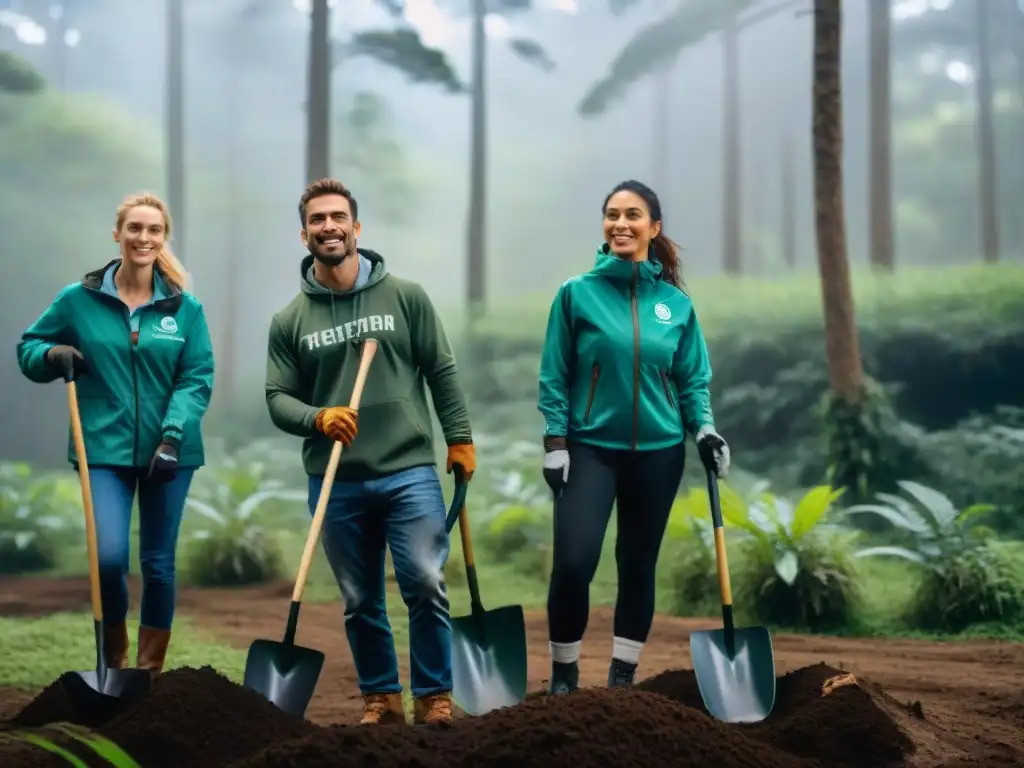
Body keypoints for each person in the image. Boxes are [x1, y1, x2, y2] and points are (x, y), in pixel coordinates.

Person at [264, 177, 475, 727]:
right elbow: (277, 399)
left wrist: (459, 437)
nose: (328, 227)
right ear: (304, 233)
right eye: (317, 220)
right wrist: (318, 417)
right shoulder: (291, 321)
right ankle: (380, 698)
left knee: (426, 581)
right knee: (360, 599)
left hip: (408, 469)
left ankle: (434, 697)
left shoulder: (405, 296)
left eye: (338, 217)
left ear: (357, 227)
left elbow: (441, 369)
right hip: (336, 481)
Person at [536, 179, 731, 695]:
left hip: (660, 453)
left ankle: (622, 677)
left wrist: (705, 430)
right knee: (575, 562)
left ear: (654, 227)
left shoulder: (676, 306)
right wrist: (556, 443)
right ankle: (564, 673)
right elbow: (554, 375)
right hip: (589, 449)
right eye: (612, 214)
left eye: (633, 215)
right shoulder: (575, 294)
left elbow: (692, 380)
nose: (620, 223)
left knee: (638, 563)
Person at [16, 192, 215, 679]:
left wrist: (171, 439)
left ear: (163, 238)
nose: (143, 238)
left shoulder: (184, 309)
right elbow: (29, 345)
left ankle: (146, 674)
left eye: (153, 230)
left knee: (159, 564)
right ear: (117, 233)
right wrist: (51, 357)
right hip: (101, 449)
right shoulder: (77, 300)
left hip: (171, 453)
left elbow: (196, 378)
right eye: (134, 228)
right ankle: (111, 665)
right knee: (107, 559)